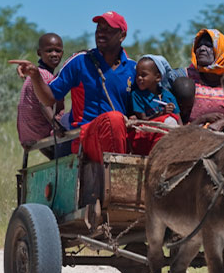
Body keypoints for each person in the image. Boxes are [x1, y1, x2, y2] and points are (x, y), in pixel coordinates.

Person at [10, 11, 135, 162]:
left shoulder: (133, 69)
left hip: (121, 136)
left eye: (108, 30)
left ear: (122, 36)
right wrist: (36, 76)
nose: (101, 34)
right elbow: (48, 99)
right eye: (99, 29)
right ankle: (117, 172)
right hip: (86, 137)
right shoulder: (80, 62)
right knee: (114, 119)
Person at [169, 29, 224, 130]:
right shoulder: (181, 75)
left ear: (222, 51)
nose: (202, 49)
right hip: (186, 135)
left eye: (209, 45)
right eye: (198, 46)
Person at [16, 33, 68, 158]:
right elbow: (44, 104)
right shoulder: (44, 76)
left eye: (58, 51)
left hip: (27, 134)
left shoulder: (34, 75)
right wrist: (57, 126)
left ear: (62, 53)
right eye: (49, 51)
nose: (54, 54)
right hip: (41, 132)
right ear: (39, 53)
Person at [130, 56, 181, 122]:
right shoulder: (137, 95)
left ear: (158, 77)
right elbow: (142, 120)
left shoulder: (169, 96)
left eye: (143, 75)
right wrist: (162, 113)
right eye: (137, 75)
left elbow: (179, 123)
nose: (139, 78)